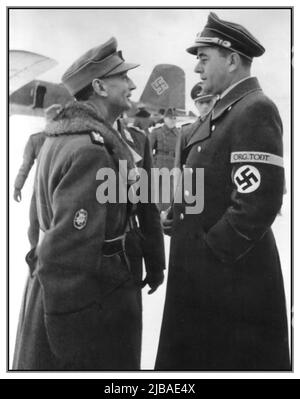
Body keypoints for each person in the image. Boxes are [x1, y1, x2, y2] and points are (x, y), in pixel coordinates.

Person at [13, 37, 164, 370]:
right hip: (92, 306)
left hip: (55, 295)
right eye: (123, 77)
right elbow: (66, 256)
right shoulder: (92, 152)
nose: (132, 84)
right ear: (98, 86)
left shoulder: (60, 139)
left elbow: (36, 228)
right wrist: (71, 335)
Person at [155, 12, 290, 370]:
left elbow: (257, 202)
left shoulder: (255, 109)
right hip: (203, 275)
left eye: (203, 58)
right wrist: (177, 216)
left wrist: (208, 254)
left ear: (231, 60)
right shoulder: (220, 112)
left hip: (227, 280)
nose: (197, 70)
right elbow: (205, 177)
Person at [149, 108, 179, 211]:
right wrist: (153, 164)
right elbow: (148, 150)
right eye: (170, 118)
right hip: (159, 166)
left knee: (172, 193)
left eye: (174, 118)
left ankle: (169, 214)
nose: (172, 120)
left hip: (174, 166)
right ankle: (158, 214)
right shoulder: (157, 132)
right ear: (165, 119)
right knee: (158, 193)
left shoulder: (180, 133)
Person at [13, 132, 46, 202]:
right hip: (43, 189)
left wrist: (17, 187)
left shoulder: (36, 139)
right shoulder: (36, 139)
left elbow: (26, 165)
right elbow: (26, 165)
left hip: (43, 189)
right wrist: (17, 187)